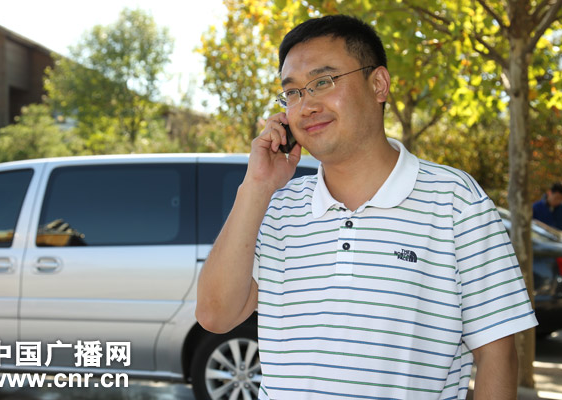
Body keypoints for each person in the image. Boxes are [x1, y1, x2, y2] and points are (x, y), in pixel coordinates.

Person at [196, 15, 537, 400]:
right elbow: (214, 315)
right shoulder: (277, 208)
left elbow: (497, 355)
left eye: (323, 82)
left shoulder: (456, 201)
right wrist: (256, 185)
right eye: (292, 93)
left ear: (378, 84)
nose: (306, 106)